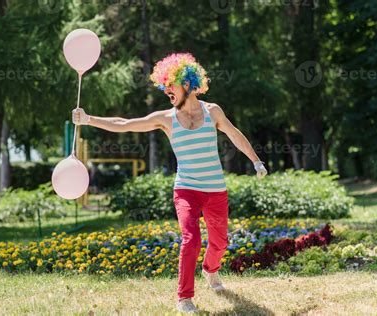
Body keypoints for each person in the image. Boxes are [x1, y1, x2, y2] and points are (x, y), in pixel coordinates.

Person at [72, 52, 267, 313]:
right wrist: (88, 119)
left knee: (220, 242)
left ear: (187, 84)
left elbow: (235, 135)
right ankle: (184, 298)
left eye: (170, 85)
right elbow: (126, 124)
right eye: (164, 86)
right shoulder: (166, 118)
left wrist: (256, 161)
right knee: (191, 239)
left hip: (215, 189)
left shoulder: (213, 111)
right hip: (186, 189)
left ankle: (211, 270)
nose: (167, 91)